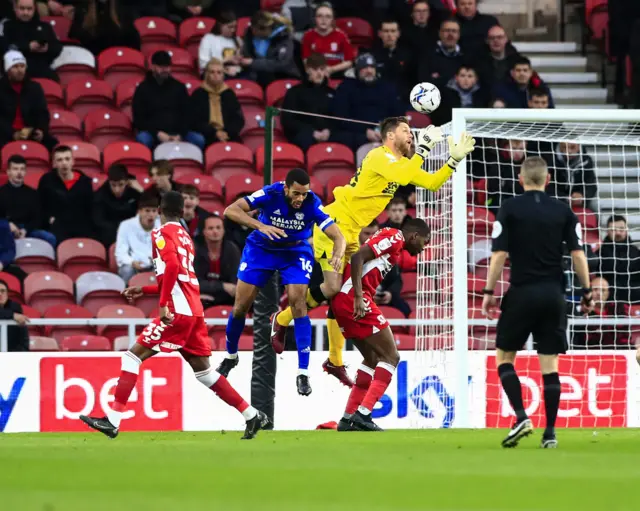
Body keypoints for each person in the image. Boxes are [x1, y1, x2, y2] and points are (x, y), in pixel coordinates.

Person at [271, 116, 475, 386]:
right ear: (390, 136)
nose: (412, 136)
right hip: (334, 224)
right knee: (333, 289)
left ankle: (335, 360)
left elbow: (433, 183)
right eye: (406, 131)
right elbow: (404, 176)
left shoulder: (401, 163)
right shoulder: (379, 156)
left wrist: (453, 160)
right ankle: (282, 318)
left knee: (341, 294)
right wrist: (424, 150)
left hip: (353, 231)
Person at [80, 191, 269, 439]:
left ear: (159, 210)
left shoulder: (161, 233)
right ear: (182, 212)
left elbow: (170, 267)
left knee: (131, 358)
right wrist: (145, 288)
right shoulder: (186, 236)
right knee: (204, 373)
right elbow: (181, 276)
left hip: (176, 312)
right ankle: (252, 415)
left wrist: (162, 304)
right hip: (194, 311)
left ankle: (112, 421)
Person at [481, 157, 594, 449]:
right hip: (553, 294)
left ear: (520, 179)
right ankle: (551, 434)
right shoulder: (564, 211)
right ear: (548, 178)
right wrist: (587, 290)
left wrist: (488, 291)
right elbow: (578, 255)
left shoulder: (509, 209)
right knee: (550, 365)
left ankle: (521, 417)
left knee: (504, 358)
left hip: (521, 292)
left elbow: (498, 255)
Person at [220, 168, 346, 396]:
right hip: (261, 247)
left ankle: (303, 373)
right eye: (296, 193)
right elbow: (231, 210)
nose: (300, 199)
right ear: (286, 188)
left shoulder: (313, 203)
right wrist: (261, 225)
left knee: (299, 304)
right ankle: (230, 357)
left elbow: (338, 235)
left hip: (294, 251)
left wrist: (338, 253)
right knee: (240, 306)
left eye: (304, 194)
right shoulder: (270, 193)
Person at [334, 219, 431, 431]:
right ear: (414, 236)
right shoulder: (395, 238)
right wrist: (359, 296)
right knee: (391, 357)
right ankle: (363, 414)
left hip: (343, 302)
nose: (424, 248)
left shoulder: (391, 239)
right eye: (425, 242)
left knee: (372, 358)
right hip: (353, 298)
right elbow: (358, 256)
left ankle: (348, 417)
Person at [330, 53, 405, 152]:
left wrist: (385, 131)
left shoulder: (386, 88)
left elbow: (398, 114)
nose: (369, 71)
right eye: (364, 68)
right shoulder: (346, 88)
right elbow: (341, 117)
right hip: (357, 135)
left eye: (371, 67)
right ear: (357, 71)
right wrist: (365, 131)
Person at [132, 51, 204, 150]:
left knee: (199, 139)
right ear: (153, 67)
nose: (165, 70)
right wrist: (157, 133)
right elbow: (139, 118)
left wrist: (180, 134)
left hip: (178, 132)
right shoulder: (143, 89)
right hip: (153, 132)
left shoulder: (179, 87)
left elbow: (187, 114)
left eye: (167, 67)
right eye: (161, 67)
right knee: (143, 139)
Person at [0, 50, 58, 151]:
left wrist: (40, 130)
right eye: (15, 67)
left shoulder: (34, 88)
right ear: (7, 70)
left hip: (30, 132)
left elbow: (42, 113)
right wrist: (13, 133)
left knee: (53, 144)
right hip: (5, 134)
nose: (20, 70)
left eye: (22, 66)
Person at [38, 145, 94, 242]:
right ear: (54, 164)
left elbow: (89, 208)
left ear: (73, 161)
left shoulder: (85, 182)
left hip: (80, 227)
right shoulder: (46, 181)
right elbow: (39, 205)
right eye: (59, 160)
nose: (64, 163)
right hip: (57, 227)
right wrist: (49, 219)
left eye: (67, 159)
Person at [281, 52, 334, 151]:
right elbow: (288, 120)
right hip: (304, 135)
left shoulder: (331, 93)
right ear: (307, 70)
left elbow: (337, 118)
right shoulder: (295, 92)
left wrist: (329, 130)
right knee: (305, 139)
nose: (319, 73)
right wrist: (312, 132)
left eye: (322, 69)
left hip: (328, 134)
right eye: (315, 69)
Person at [0, 154, 55, 246]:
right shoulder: (1, 192)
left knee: (49, 238)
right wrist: (7, 224)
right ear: (8, 172)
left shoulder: (33, 193)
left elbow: (38, 218)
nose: (19, 173)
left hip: (28, 230)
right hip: (6, 230)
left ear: (25, 172)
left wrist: (26, 230)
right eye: (15, 169)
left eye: (22, 169)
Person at [0, 0, 62, 80]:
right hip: (16, 70)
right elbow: (4, 48)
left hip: (42, 69)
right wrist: (28, 46)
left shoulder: (45, 27)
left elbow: (58, 48)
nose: (25, 12)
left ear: (34, 9)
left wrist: (47, 48)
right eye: (22, 8)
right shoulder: (6, 26)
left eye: (29, 9)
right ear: (15, 8)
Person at [189, 58, 244, 146]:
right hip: (206, 135)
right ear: (207, 74)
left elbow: (238, 119)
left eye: (219, 72)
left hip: (228, 135)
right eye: (212, 72)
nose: (216, 75)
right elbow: (194, 121)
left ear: (223, 75)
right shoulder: (198, 94)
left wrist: (225, 133)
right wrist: (215, 132)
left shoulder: (229, 93)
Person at [238, 10, 300, 88]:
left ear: (265, 29)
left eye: (254, 30)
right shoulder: (250, 33)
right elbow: (247, 55)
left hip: (283, 77)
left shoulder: (284, 38)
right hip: (256, 77)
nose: (252, 32)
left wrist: (253, 63)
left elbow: (282, 64)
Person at [571, 276, 629, 349]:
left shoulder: (618, 310)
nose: (599, 293)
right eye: (595, 289)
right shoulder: (580, 311)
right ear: (589, 292)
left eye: (603, 290)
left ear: (608, 294)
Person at [194, 215, 240, 306]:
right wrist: (222, 286)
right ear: (204, 232)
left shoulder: (232, 250)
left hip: (227, 297)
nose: (215, 231)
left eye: (218, 228)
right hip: (201, 296)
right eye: (211, 228)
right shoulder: (196, 250)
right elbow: (195, 282)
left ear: (223, 231)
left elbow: (235, 282)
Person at [300, 2, 355, 78]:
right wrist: (317, 72)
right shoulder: (308, 36)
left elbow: (349, 62)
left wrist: (332, 69)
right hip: (315, 75)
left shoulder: (341, 36)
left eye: (328, 16)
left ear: (332, 19)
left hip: (336, 74)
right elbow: (306, 60)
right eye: (320, 16)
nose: (324, 19)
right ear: (315, 19)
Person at [115, 192, 160, 283]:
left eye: (154, 211)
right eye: (147, 211)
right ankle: (126, 294)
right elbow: (120, 252)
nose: (151, 215)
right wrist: (132, 262)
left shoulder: (162, 226)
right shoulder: (126, 225)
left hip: (154, 265)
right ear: (140, 211)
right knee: (126, 270)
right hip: (132, 264)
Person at [92, 164, 141, 247]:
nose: (117, 189)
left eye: (121, 184)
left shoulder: (135, 192)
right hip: (110, 234)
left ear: (127, 182)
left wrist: (141, 191)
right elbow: (99, 221)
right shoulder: (100, 196)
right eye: (113, 185)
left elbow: (150, 208)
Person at [68, 0, 140, 56]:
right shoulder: (83, 8)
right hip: (90, 57)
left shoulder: (122, 7)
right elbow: (74, 39)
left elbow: (133, 40)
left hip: (118, 58)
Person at [597, 214, 640, 304]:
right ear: (607, 231)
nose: (618, 233)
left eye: (621, 229)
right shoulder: (599, 253)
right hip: (609, 297)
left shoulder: (636, 253)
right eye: (613, 230)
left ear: (626, 230)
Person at [417, 18, 464, 88]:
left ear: (459, 35)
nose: (450, 34)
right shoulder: (426, 54)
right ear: (439, 33)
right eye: (447, 31)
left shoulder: (466, 56)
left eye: (454, 31)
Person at [370, 19, 412, 97]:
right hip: (378, 97)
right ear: (379, 34)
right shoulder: (372, 55)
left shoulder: (408, 55)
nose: (389, 35)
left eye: (393, 31)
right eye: (386, 31)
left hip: (402, 98)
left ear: (398, 34)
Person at [198, 11, 242, 77]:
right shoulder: (208, 38)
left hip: (234, 72)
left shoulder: (237, 40)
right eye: (230, 27)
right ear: (220, 25)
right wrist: (226, 61)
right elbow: (203, 65)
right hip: (213, 74)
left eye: (235, 27)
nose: (233, 30)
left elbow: (240, 64)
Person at [0, 278, 29, 351]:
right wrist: (12, 315)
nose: (0, 294)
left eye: (3, 291)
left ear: (7, 294)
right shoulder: (13, 313)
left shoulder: (15, 307)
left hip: (12, 355)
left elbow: (23, 339)